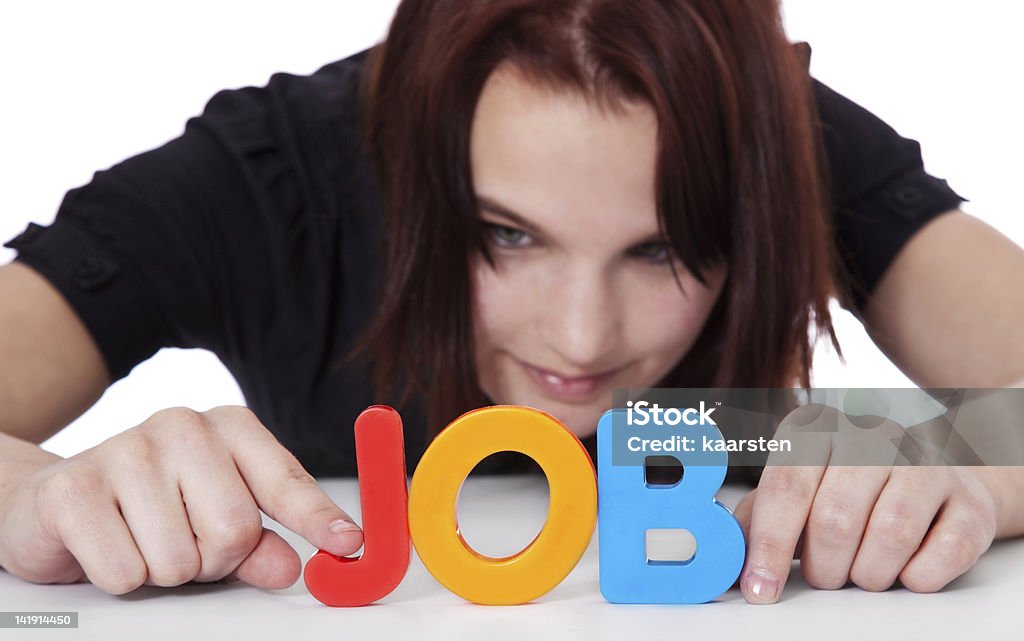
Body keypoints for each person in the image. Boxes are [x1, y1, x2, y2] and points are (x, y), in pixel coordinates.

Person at [1, 0, 1023, 604]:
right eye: (506, 233)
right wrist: (26, 494)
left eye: (663, 247)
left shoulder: (776, 142)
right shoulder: (268, 179)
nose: (582, 338)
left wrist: (963, 462)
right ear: (401, 158)